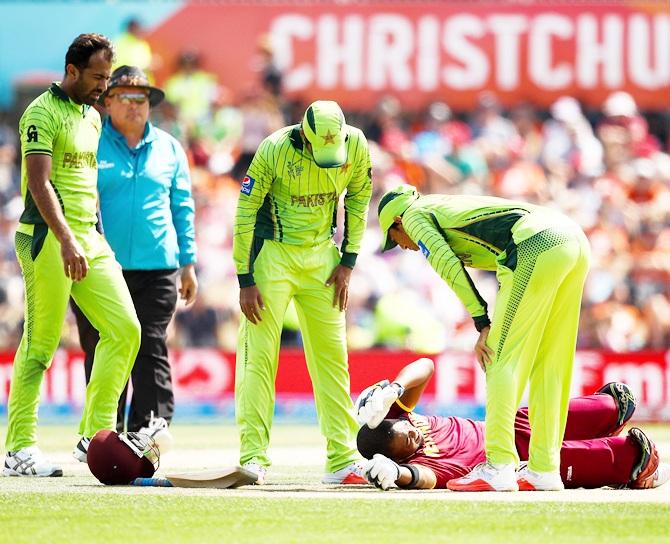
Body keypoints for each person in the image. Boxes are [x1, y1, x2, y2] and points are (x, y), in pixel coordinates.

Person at [378, 184, 591, 491]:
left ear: (397, 221)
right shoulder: (442, 204)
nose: (401, 245)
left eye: (393, 238)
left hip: (536, 242)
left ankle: (500, 465)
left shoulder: (413, 214)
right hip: (573, 240)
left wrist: (482, 323)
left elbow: (448, 266)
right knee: (551, 361)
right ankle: (544, 468)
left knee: (499, 357)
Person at [2, 34, 141, 477]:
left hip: (88, 238)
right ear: (73, 70)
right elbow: (39, 183)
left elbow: (86, 183)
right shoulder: (40, 113)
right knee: (40, 347)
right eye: (98, 77)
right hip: (47, 237)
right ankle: (19, 449)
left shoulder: (93, 117)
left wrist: (93, 233)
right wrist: (66, 238)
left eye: (107, 77)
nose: (104, 86)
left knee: (125, 329)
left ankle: (95, 437)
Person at [233, 100, 372, 484]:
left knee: (333, 359)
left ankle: (342, 459)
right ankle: (253, 457)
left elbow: (359, 200)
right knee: (258, 357)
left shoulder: (356, 145)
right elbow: (245, 212)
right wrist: (245, 279)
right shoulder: (274, 149)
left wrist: (348, 261)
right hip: (271, 255)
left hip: (323, 259)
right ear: (305, 137)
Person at [70, 65, 197, 452]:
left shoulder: (169, 148)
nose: (134, 106)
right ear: (106, 102)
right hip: (99, 267)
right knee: (100, 346)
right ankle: (101, 432)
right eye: (124, 97)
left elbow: (183, 207)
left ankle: (150, 429)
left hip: (159, 266)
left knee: (150, 343)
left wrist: (188, 263)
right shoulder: (88, 144)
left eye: (141, 99)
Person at [356, 358, 670, 491]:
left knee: (614, 403)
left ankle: (603, 427)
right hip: (509, 460)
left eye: (410, 430)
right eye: (411, 443)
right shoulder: (419, 463)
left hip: (509, 424)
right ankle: (634, 470)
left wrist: (393, 388)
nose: (416, 435)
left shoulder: (403, 415)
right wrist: (399, 475)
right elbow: (422, 478)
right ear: (400, 457)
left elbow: (426, 366)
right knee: (635, 455)